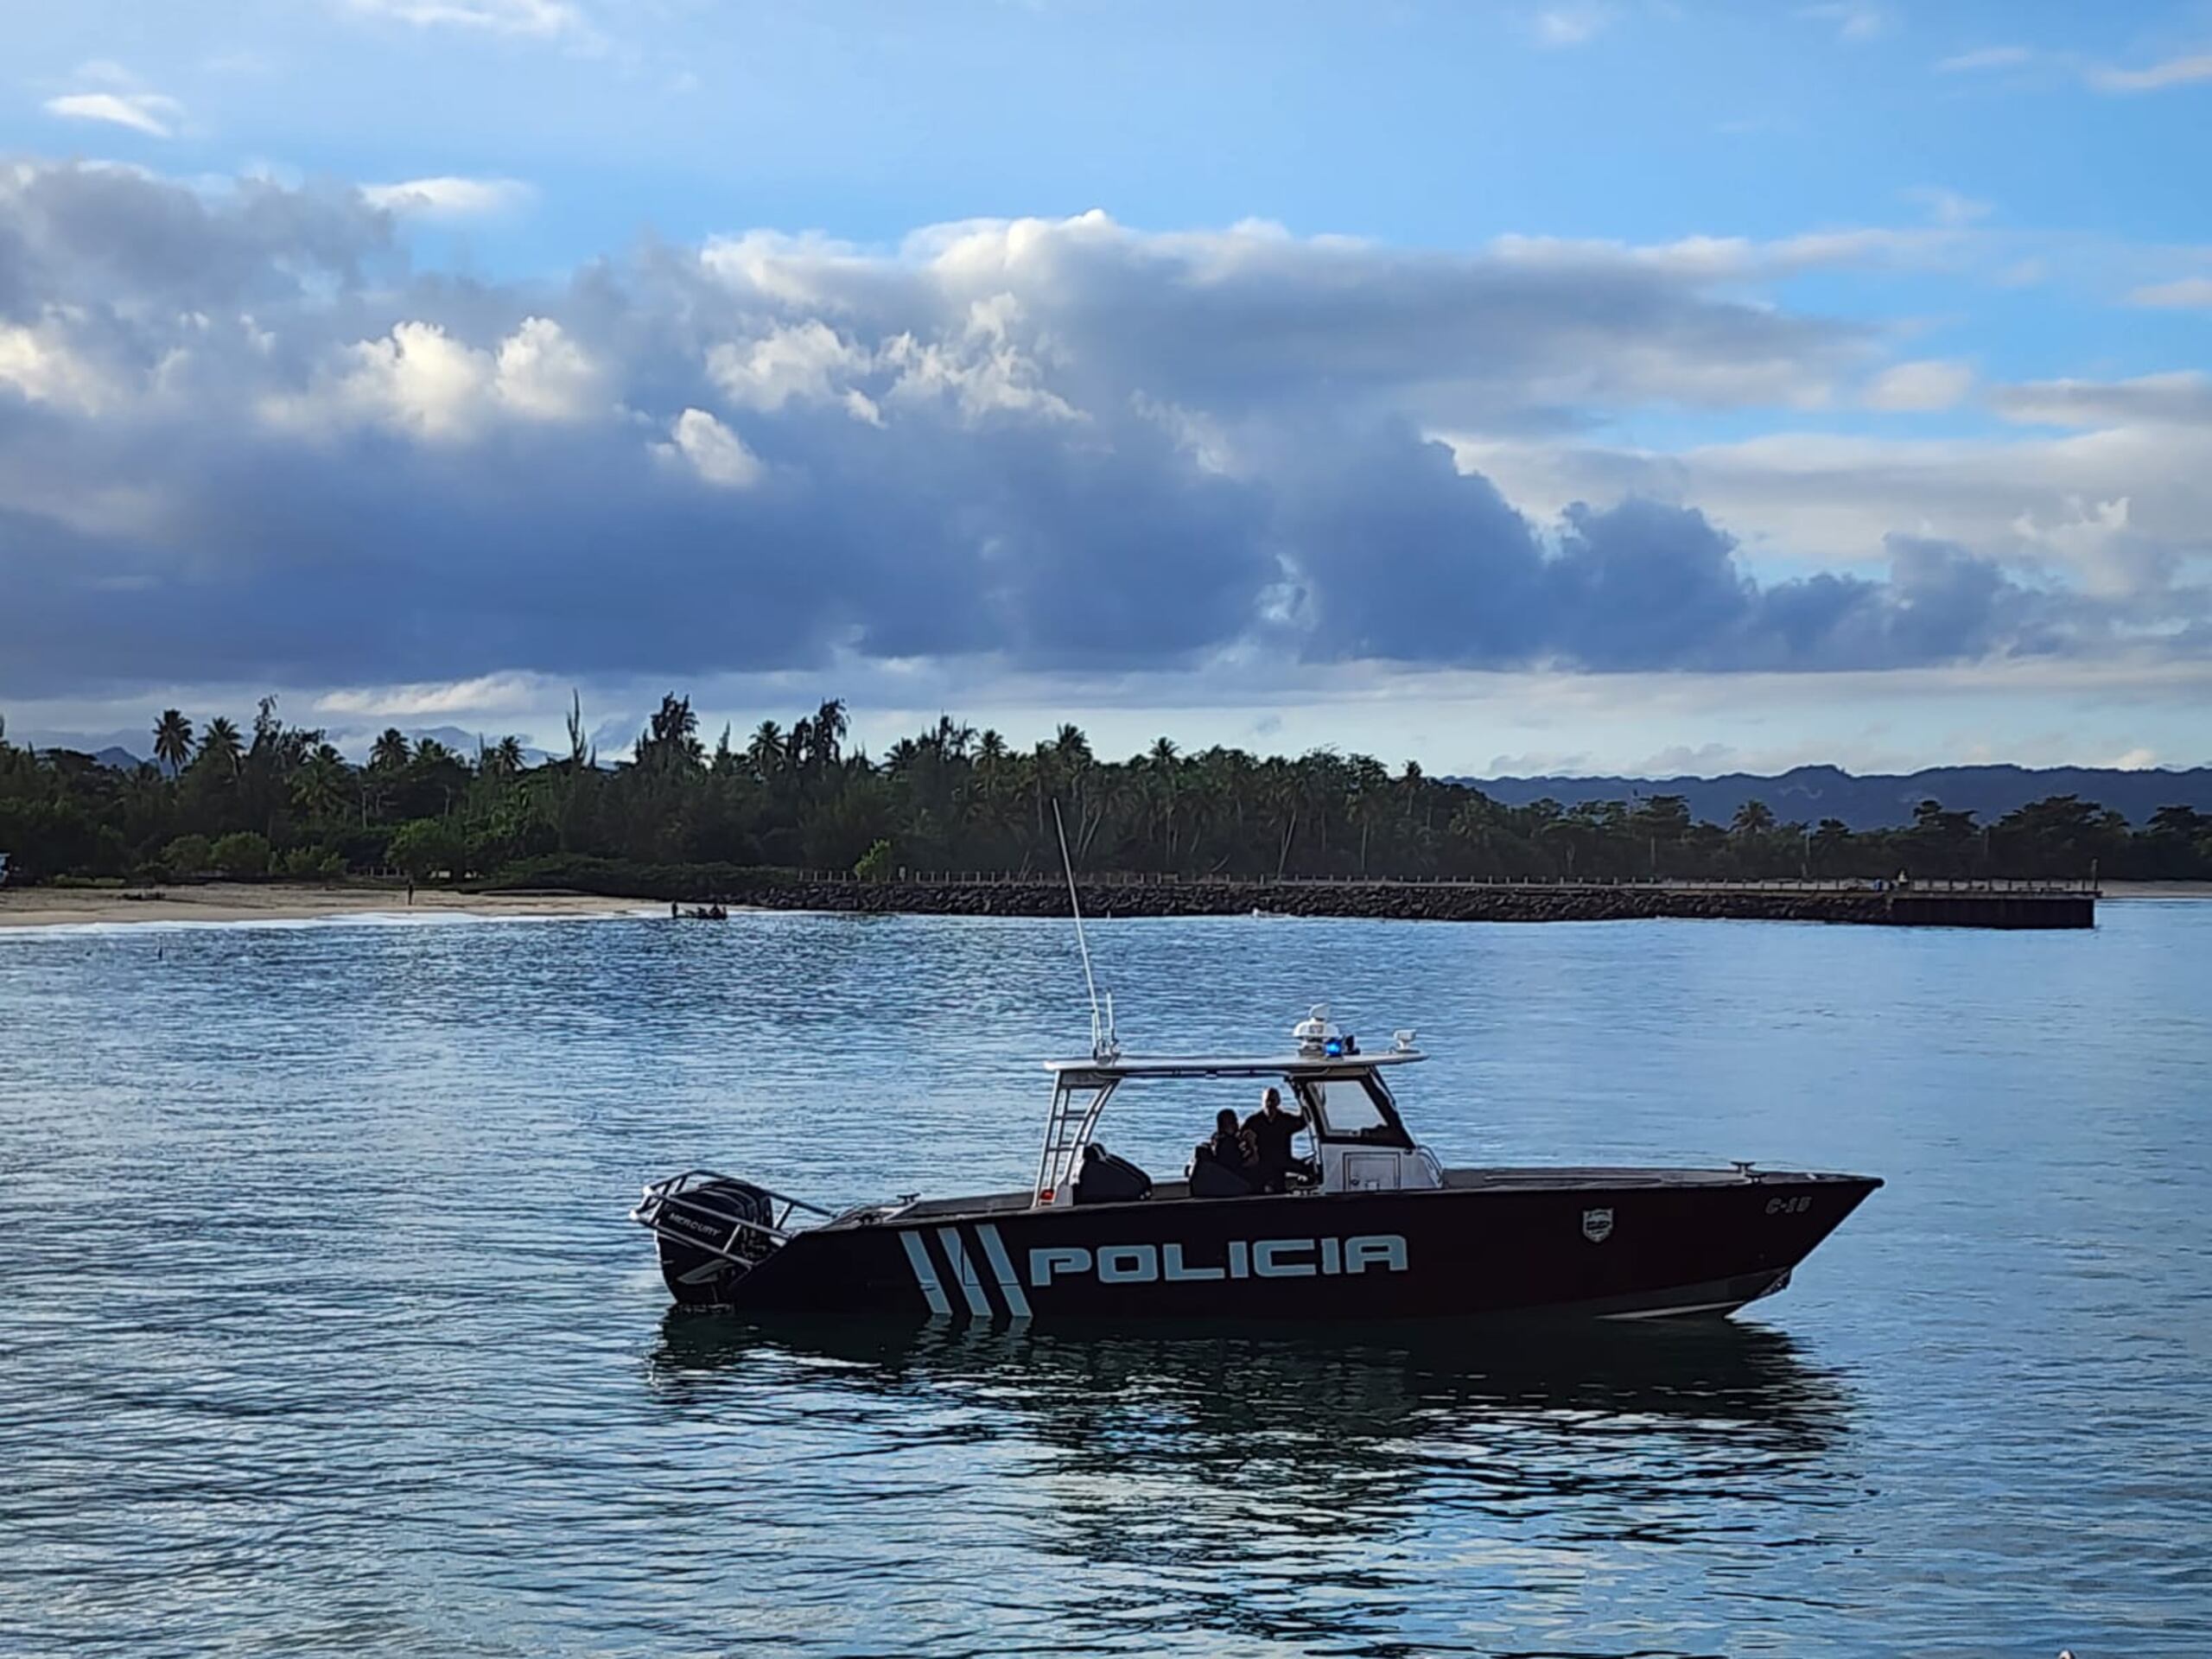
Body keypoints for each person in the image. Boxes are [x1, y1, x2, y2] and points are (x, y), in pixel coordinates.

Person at [1242, 1086, 1310, 1194]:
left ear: (1278, 1102)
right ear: (1263, 1103)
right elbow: (1241, 1137)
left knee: (1308, 1169)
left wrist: (1305, 1100)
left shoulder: (1285, 1120)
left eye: (1273, 1101)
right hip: (1262, 1163)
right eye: (1267, 1101)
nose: (1270, 1105)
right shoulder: (1254, 1122)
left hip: (1282, 1161)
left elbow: (1303, 1121)